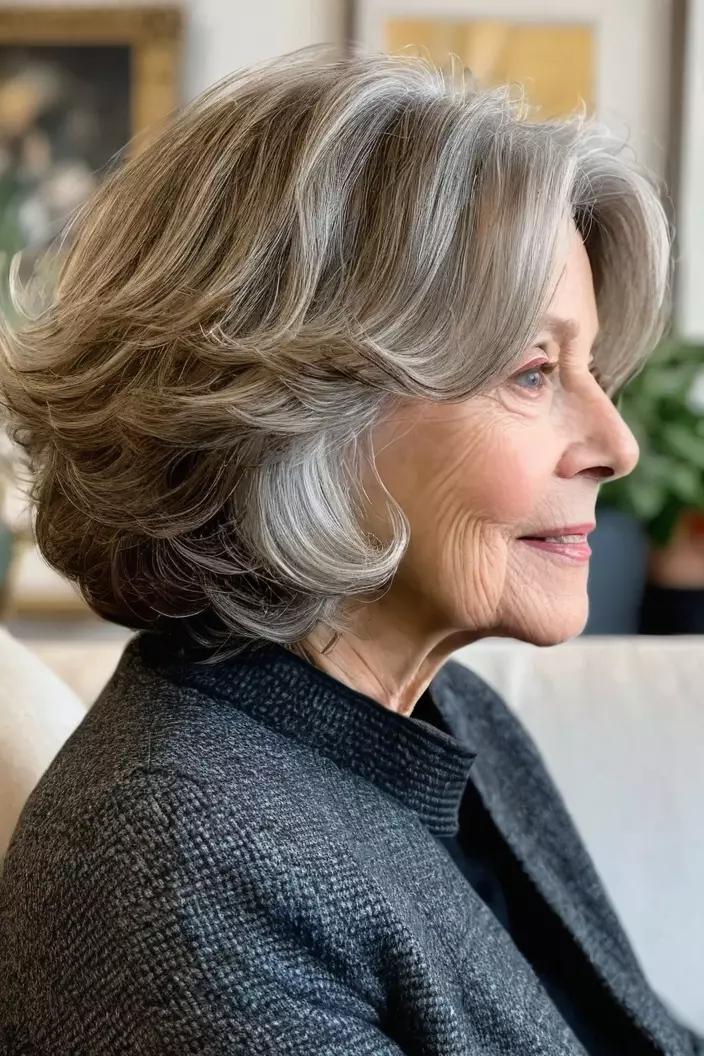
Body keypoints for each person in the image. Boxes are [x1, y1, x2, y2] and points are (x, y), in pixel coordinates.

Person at [0, 49, 700, 1056]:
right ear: (298, 414)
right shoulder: (179, 863)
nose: (616, 445)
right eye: (531, 372)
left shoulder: (447, 716)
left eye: (591, 368)